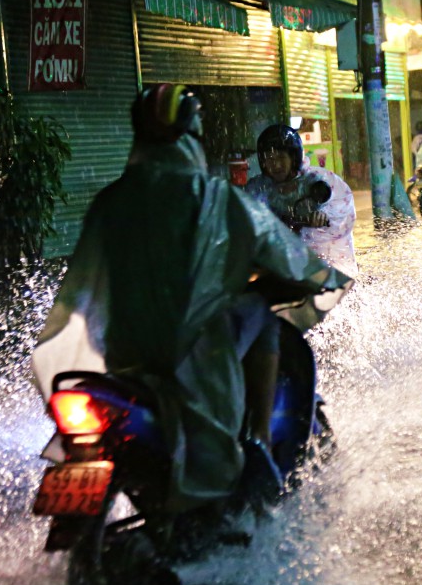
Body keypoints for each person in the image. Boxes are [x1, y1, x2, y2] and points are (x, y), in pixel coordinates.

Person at [31, 84, 352, 513]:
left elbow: (85, 283)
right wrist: (320, 277)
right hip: (191, 356)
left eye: (281, 154)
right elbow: (284, 254)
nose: (274, 162)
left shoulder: (111, 201)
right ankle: (255, 440)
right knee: (257, 309)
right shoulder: (216, 197)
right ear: (191, 138)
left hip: (118, 354)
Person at [245, 124, 358, 278]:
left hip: (322, 260)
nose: (276, 165)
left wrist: (323, 216)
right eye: (270, 159)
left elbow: (341, 209)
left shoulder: (317, 180)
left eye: (281, 158)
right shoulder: (259, 186)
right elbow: (245, 208)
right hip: (280, 258)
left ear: (293, 157)